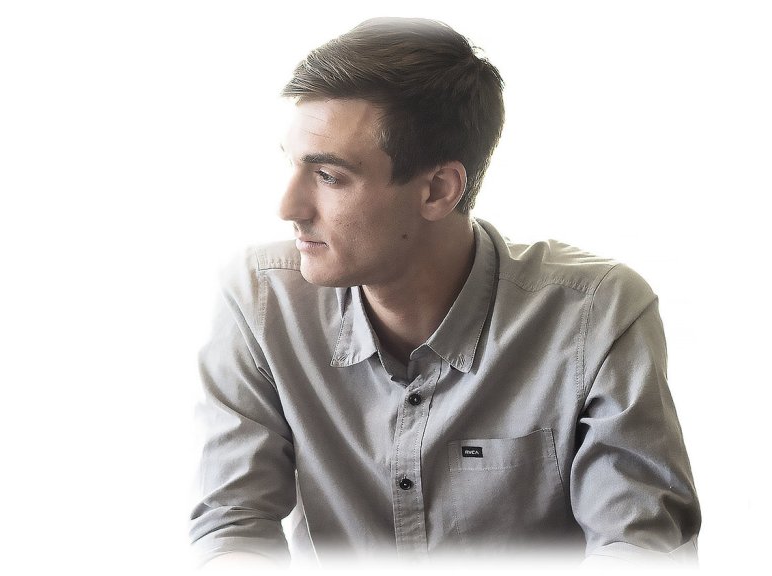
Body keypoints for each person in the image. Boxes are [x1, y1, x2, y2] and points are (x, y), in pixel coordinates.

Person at [189, 17, 700, 568]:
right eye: (292, 164)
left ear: (437, 190)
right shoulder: (261, 301)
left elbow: (639, 547)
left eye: (329, 176)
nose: (288, 207)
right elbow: (233, 525)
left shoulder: (596, 315)